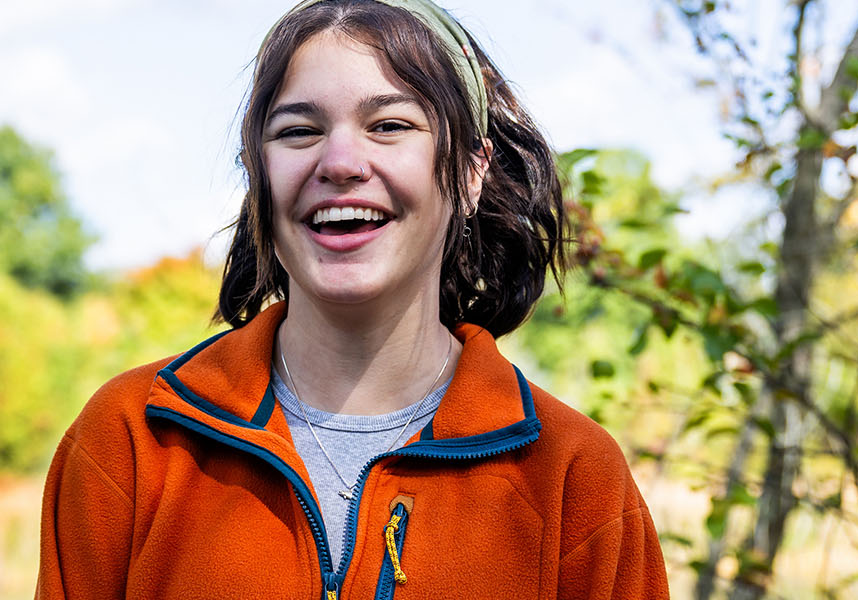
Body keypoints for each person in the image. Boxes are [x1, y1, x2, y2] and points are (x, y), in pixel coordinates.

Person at [35, 1, 669, 598]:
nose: (340, 161)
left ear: (472, 172)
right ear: (258, 175)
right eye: (299, 130)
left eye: (389, 125)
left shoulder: (574, 480)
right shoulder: (129, 441)